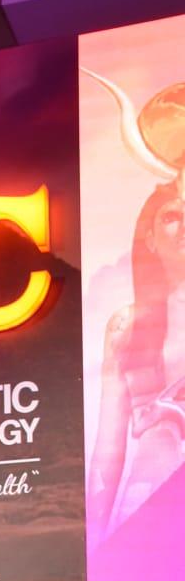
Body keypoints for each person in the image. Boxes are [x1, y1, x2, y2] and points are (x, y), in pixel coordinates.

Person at [88, 178, 185, 537]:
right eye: (172, 217)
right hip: (146, 510)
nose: (184, 227)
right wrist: (95, 542)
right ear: (150, 239)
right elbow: (107, 452)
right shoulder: (126, 328)